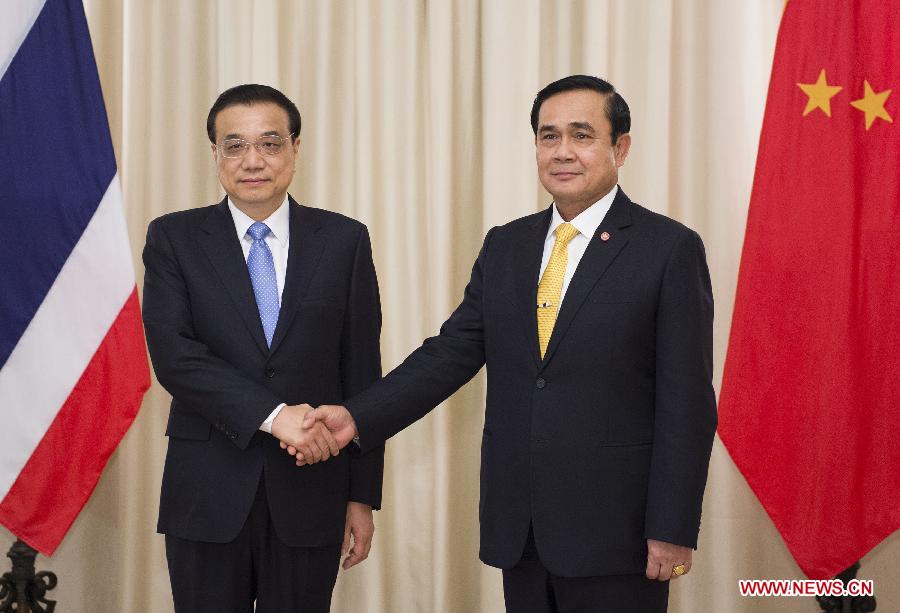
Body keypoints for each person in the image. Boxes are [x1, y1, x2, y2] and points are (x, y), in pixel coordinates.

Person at [295, 75, 717, 612]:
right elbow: (450, 352)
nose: (562, 151)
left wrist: (672, 523)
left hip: (621, 533)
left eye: (582, 135)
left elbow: (688, 404)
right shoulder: (507, 245)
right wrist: (356, 418)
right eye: (548, 136)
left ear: (621, 147)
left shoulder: (669, 249)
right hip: (521, 530)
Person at [141, 84, 384, 613]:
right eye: (235, 145)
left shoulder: (344, 240)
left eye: (270, 144)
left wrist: (361, 496)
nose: (253, 160)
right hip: (207, 493)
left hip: (312, 493)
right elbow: (174, 356)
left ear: (295, 148)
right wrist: (275, 417)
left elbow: (362, 371)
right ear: (215, 155)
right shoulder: (174, 238)